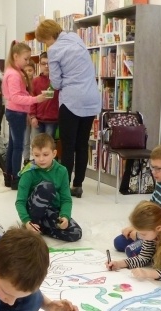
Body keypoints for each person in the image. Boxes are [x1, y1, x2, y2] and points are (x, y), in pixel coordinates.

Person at [36, 19, 101, 198]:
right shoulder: (76, 38)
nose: (45, 44)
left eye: (44, 41)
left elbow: (56, 83)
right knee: (82, 144)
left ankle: (63, 186)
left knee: (68, 144)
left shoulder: (54, 50)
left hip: (72, 100)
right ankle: (78, 185)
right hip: (91, 98)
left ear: (49, 36)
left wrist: (68, 81)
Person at [107, 201, 161, 281]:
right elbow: (143, 258)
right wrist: (118, 264)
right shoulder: (153, 230)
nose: (141, 237)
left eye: (143, 234)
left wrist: (148, 274)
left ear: (158, 228)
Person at [16, 133, 81, 242]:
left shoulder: (62, 171)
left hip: (51, 211)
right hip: (33, 212)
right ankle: (33, 226)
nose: (41, 159)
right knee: (47, 187)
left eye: (45, 155)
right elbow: (20, 202)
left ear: (54, 153)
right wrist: (27, 221)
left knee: (76, 232)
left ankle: (43, 228)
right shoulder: (28, 172)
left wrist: (65, 216)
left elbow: (66, 199)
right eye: (37, 155)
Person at [2, 41, 47, 190]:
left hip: (16, 111)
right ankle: (16, 177)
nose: (28, 62)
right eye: (26, 59)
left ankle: (9, 176)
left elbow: (18, 95)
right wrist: (35, 99)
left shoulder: (13, 71)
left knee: (13, 145)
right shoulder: (14, 75)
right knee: (18, 147)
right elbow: (15, 97)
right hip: (16, 112)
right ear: (16, 56)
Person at [30, 52, 59, 140]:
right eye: (43, 64)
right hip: (37, 120)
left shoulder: (57, 81)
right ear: (39, 65)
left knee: (48, 145)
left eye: (49, 63)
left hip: (52, 120)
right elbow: (31, 100)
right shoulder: (35, 81)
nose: (46, 66)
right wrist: (33, 116)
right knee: (36, 144)